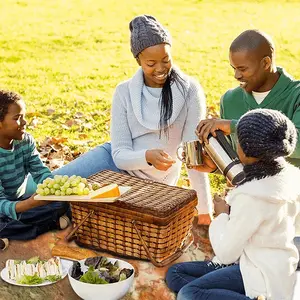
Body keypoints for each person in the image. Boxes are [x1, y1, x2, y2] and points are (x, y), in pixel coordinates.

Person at [38, 15, 212, 224]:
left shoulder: (190, 91)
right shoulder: (124, 92)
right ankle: (12, 211)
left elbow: (193, 157)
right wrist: (147, 156)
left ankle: (60, 217)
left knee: (86, 214)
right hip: (112, 163)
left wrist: (205, 211)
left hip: (151, 185)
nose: (160, 69)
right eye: (150, 63)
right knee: (46, 189)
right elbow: (119, 154)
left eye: (166, 60)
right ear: (138, 60)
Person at [166, 108, 300, 300]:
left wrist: (222, 215)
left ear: (244, 150)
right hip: (272, 265)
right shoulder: (291, 177)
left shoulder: (251, 197)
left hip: (260, 274)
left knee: (189, 293)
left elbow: (226, 252)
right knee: (175, 274)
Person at [195, 29, 300, 261]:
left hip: (289, 206)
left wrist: (234, 126)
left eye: (242, 69)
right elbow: (243, 160)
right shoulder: (230, 100)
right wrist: (214, 165)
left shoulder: (296, 95)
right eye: (233, 68)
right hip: (248, 203)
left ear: (266, 62)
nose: (236, 76)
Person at [0, 90, 70, 240]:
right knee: (4, 225)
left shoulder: (25, 141)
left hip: (20, 203)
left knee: (64, 203)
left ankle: (25, 231)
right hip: (5, 208)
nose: (25, 122)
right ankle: (44, 226)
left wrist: (53, 189)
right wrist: (30, 204)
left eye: (24, 116)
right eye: (17, 118)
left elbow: (40, 172)